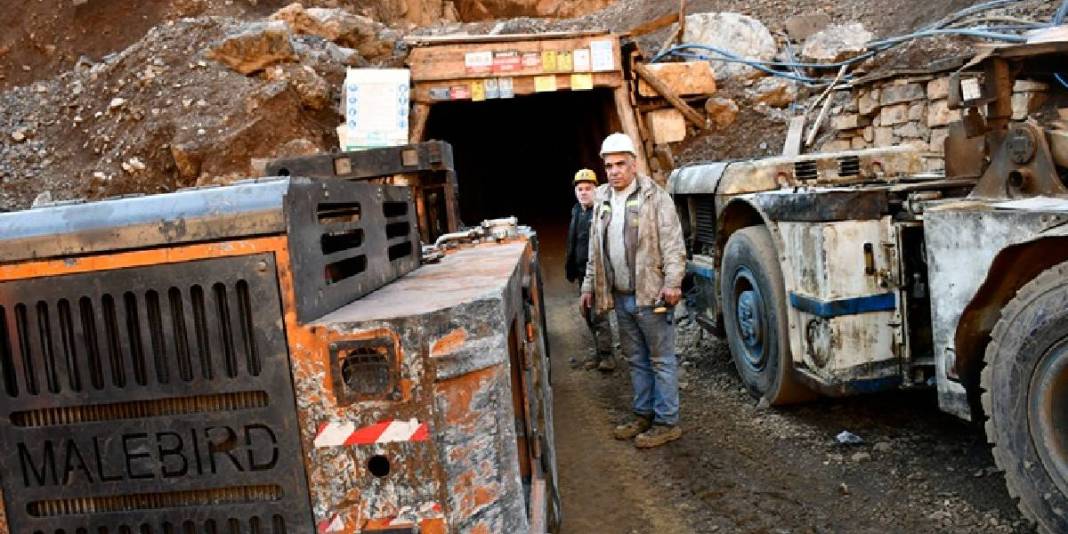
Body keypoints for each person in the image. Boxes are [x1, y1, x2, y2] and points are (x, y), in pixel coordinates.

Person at [580, 133, 687, 449]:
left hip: (650, 293)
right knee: (636, 359)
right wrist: (589, 286)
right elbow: (594, 251)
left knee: (661, 360)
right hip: (622, 295)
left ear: (633, 164)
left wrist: (672, 283)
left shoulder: (656, 197)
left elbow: (672, 244)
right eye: (609, 166)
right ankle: (643, 414)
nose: (613, 171)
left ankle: (667, 421)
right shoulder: (601, 200)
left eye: (620, 164)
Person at [565, 168, 615, 372]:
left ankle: (607, 356)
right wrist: (569, 267)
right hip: (580, 272)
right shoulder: (577, 211)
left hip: (596, 273)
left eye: (588, 188)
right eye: (580, 189)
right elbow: (572, 241)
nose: (583, 192)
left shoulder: (600, 213)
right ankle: (599, 352)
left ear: (596, 189)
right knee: (587, 313)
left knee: (598, 315)